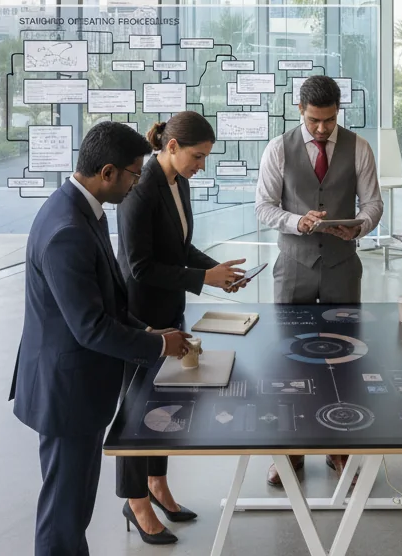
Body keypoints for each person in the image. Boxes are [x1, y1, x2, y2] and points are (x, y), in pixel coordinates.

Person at [11, 121, 192, 556]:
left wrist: (146, 330)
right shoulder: (68, 230)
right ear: (107, 172)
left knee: (74, 510)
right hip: (66, 392)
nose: (137, 183)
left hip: (78, 388)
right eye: (133, 174)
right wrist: (159, 346)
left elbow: (106, 298)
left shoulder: (82, 210)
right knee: (64, 513)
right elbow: (90, 326)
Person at [116, 111, 247, 543]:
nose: (201, 166)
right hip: (141, 315)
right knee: (136, 409)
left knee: (163, 403)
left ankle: (157, 484)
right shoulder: (140, 189)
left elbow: (180, 248)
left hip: (169, 307)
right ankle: (135, 500)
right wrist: (203, 278)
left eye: (206, 157)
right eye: (198, 156)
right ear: (171, 146)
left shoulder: (178, 182)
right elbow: (140, 266)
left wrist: (218, 272)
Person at [255, 74, 383, 487]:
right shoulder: (278, 148)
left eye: (329, 119)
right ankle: (290, 453)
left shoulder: (359, 147)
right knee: (289, 360)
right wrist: (297, 221)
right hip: (293, 266)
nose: (323, 128)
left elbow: (373, 203)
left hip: (343, 267)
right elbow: (263, 207)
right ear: (300, 110)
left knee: (343, 361)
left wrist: (360, 225)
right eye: (314, 120)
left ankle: (339, 448)